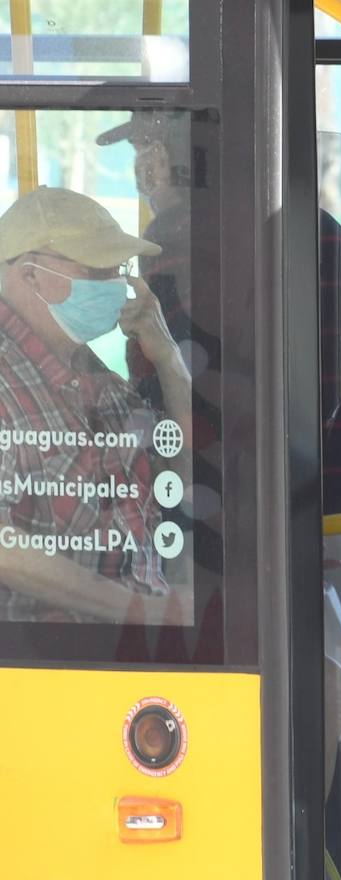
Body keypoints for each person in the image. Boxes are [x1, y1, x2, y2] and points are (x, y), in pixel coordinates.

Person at [0, 186, 190, 625]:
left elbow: (177, 481)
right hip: (58, 665)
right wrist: (144, 611)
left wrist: (170, 361)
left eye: (117, 268)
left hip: (135, 645)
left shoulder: (99, 380)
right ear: (27, 273)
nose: (118, 285)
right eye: (97, 268)